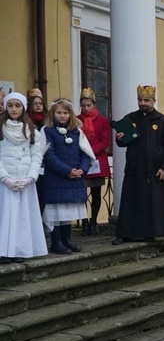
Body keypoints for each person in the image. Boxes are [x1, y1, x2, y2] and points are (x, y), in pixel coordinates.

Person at [112, 85, 164, 244]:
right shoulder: (131, 118)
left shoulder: (163, 121)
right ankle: (124, 234)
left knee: (152, 202)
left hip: (155, 170)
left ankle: (150, 234)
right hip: (135, 168)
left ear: (154, 101)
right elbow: (123, 143)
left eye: (146, 100)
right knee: (129, 201)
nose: (143, 103)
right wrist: (119, 138)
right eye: (140, 100)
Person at [42, 99, 94, 254]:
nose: (62, 116)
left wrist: (82, 170)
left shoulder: (77, 132)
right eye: (59, 112)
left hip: (75, 178)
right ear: (53, 113)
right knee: (56, 212)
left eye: (65, 113)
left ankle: (67, 240)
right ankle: (56, 243)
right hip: (56, 178)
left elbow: (85, 153)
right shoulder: (47, 131)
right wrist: (67, 171)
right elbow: (48, 155)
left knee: (67, 212)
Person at [0, 93, 47, 263]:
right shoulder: (1, 128)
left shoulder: (32, 130)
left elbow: (36, 156)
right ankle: (3, 250)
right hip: (5, 182)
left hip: (24, 181)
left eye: (17, 105)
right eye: (10, 105)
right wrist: (5, 178)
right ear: (6, 107)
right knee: (5, 215)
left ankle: (19, 249)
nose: (13, 109)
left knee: (22, 217)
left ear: (23, 108)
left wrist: (29, 178)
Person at [77, 88, 111, 236]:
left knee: (96, 193)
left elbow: (104, 142)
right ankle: (84, 221)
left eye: (88, 105)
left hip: (96, 160)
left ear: (94, 104)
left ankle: (93, 221)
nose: (85, 108)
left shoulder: (103, 120)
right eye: (83, 105)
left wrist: (90, 151)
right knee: (81, 194)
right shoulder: (76, 119)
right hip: (80, 160)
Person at [27, 88, 47, 217]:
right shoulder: (26, 121)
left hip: (46, 162)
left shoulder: (48, 120)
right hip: (31, 161)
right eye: (35, 103)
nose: (38, 105)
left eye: (40, 103)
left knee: (44, 192)